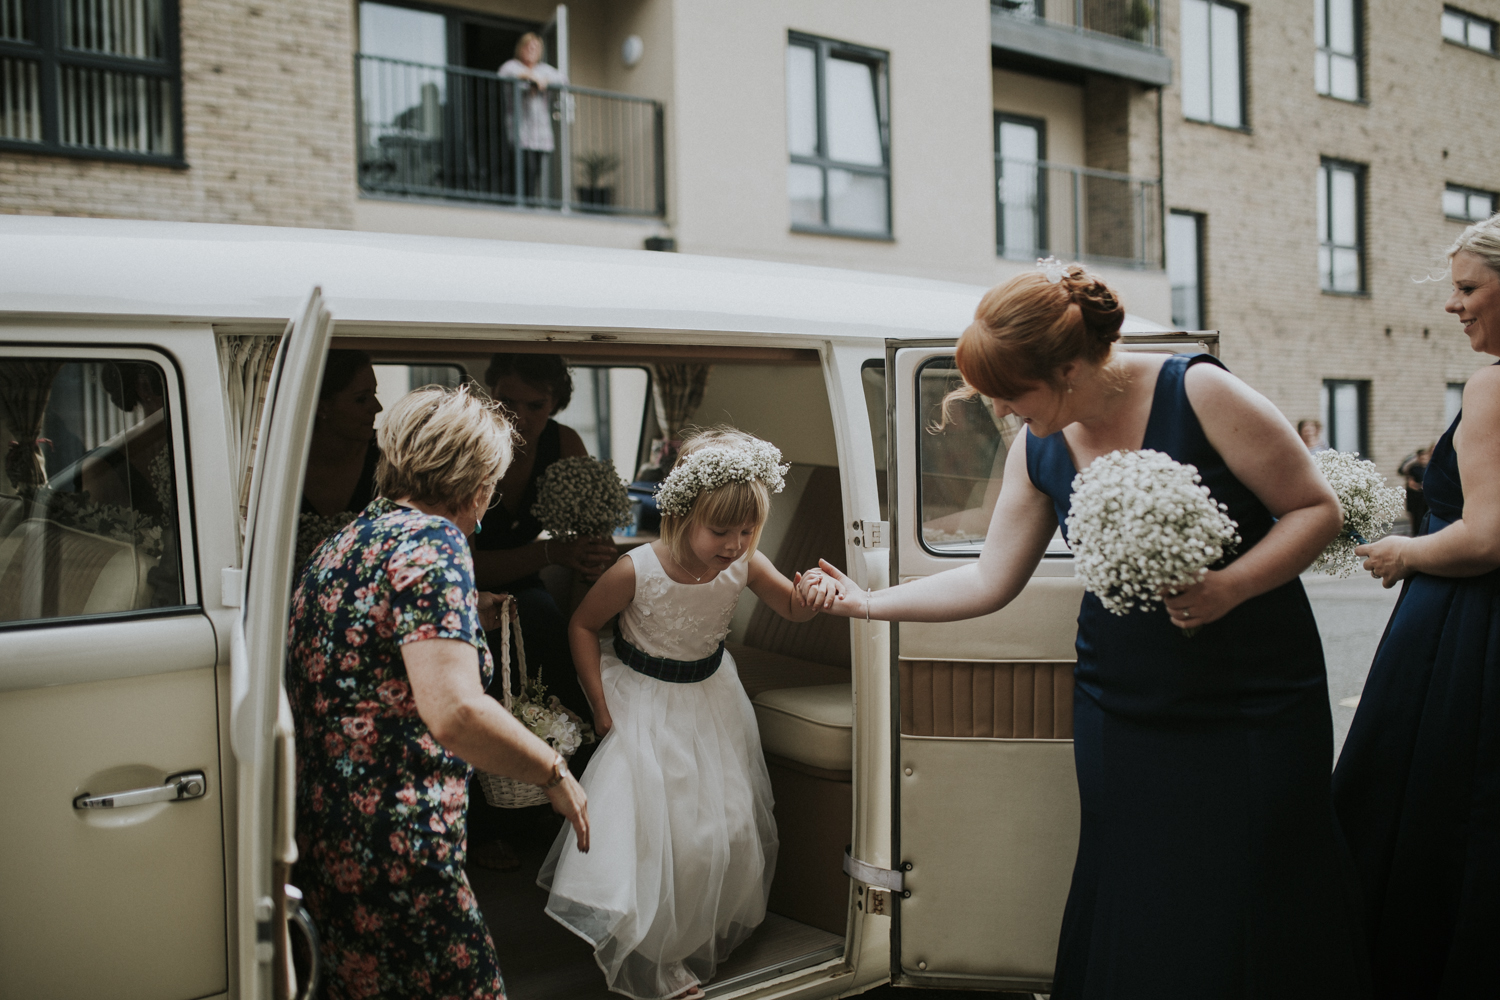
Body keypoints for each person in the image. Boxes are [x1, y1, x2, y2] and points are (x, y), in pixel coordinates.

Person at [801, 263, 1367, 999]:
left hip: (1251, 691)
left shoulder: (1200, 392)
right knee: (1136, 881)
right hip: (1121, 697)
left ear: (1068, 369)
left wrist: (1231, 585)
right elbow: (987, 579)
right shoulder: (1037, 444)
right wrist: (867, 603)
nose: (1002, 410)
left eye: (1012, 393)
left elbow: (1313, 510)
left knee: (1253, 879)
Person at [287, 384, 589, 1000]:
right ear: (474, 477)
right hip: (401, 840)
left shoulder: (346, 542)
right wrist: (553, 772)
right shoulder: (434, 542)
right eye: (492, 483)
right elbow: (456, 713)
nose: (489, 502)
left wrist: (467, 608)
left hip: (327, 832)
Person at [539, 428, 840, 1000]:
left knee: (721, 827)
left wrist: (814, 593)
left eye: (747, 530)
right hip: (644, 701)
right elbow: (581, 624)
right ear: (680, 512)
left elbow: (792, 608)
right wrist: (600, 704)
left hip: (712, 698)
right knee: (659, 833)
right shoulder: (637, 569)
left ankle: (693, 930)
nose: (734, 544)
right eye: (720, 531)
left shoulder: (745, 562)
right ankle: (658, 956)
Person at [1334, 218, 1500, 998]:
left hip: (1466, 632)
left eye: (1468, 289)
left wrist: (1402, 552)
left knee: (1431, 811)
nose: (1454, 307)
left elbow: (1485, 539)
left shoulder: (1494, 385)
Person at [296, 350, 383, 565]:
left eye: (375, 394)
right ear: (322, 406)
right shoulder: (282, 461)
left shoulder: (390, 458)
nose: (378, 408)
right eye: (361, 399)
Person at [498, 32, 567, 203]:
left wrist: (544, 79)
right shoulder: (512, 66)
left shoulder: (544, 70)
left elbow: (563, 79)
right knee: (521, 170)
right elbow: (503, 73)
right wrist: (530, 77)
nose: (531, 50)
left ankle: (526, 205)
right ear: (520, 48)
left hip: (540, 134)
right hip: (520, 132)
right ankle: (516, 205)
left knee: (533, 172)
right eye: (528, 46)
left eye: (535, 47)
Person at [1397, 444, 1432, 528]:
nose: (1424, 460)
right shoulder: (1414, 469)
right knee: (1417, 519)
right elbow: (1410, 483)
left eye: (1425, 458)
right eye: (1422, 458)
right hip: (1416, 498)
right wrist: (1419, 486)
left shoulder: (1429, 468)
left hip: (1426, 499)